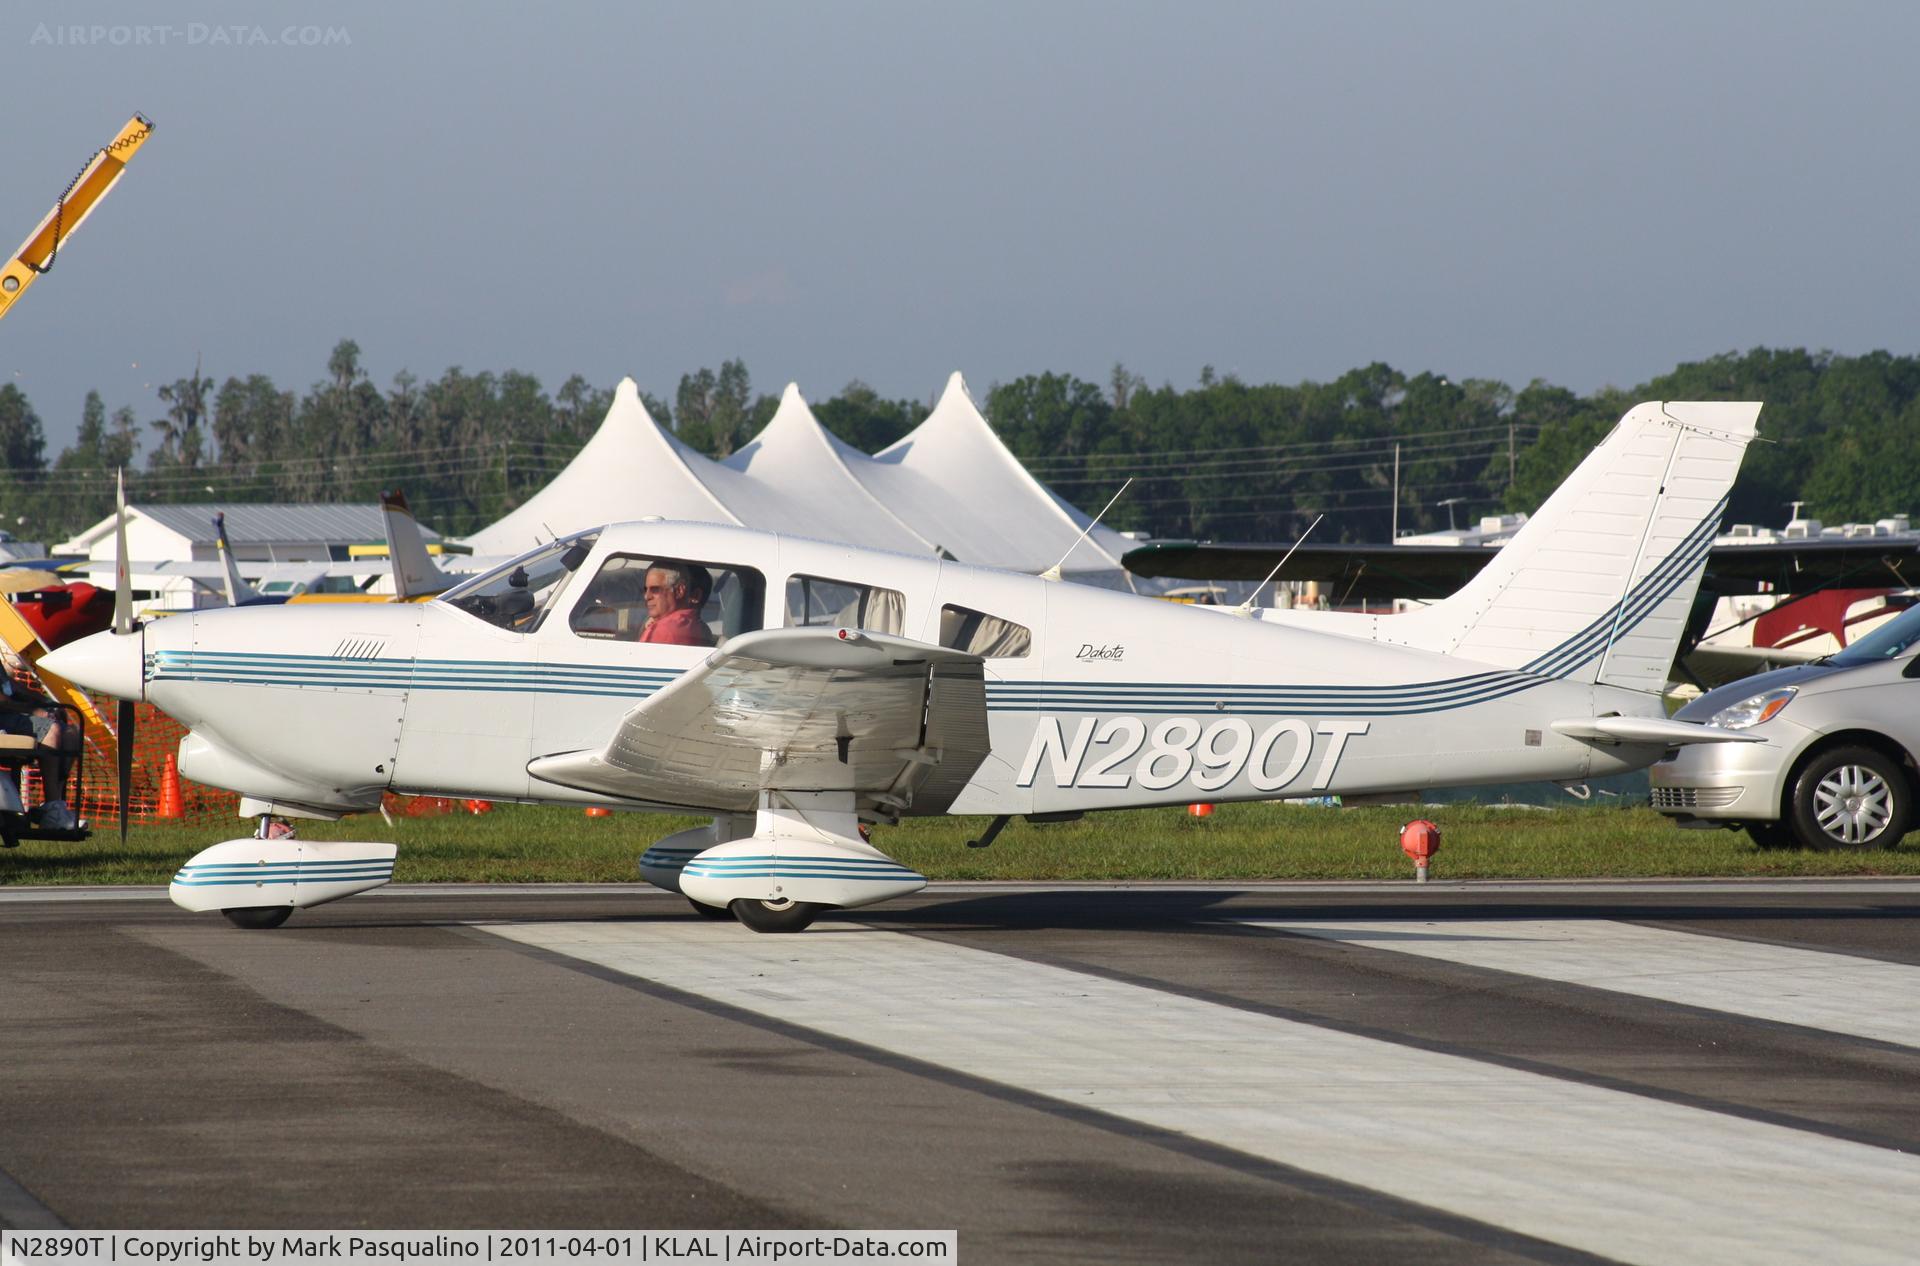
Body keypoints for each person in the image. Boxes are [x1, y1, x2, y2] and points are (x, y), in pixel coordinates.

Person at [0, 656, 78, 830]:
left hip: (8, 717)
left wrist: (49, 704)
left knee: (72, 734)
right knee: (51, 729)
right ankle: (52, 806)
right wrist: (35, 710)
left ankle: (55, 806)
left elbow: (13, 687)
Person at [637, 561, 714, 646]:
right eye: (645, 590)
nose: (647, 596)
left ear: (679, 591)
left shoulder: (663, 630)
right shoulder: (703, 629)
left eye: (655, 589)